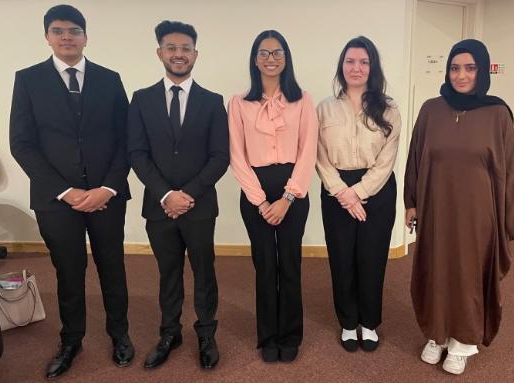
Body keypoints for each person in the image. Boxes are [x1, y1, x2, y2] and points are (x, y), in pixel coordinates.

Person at [9, 4, 133, 379]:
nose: (67, 37)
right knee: (68, 270)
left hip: (106, 196)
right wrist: (66, 191)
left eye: (74, 31)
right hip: (55, 200)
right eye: (59, 31)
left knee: (113, 267)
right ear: (47, 36)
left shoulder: (109, 79)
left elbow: (127, 139)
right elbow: (22, 144)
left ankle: (120, 335)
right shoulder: (28, 79)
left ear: (85, 37)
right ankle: (71, 340)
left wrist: (107, 187)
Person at [404, 39, 514, 375]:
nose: (461, 75)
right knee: (436, 268)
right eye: (455, 68)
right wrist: (412, 202)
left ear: (482, 70)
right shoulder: (432, 109)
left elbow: (510, 167)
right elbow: (415, 158)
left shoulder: (497, 113)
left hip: (478, 215)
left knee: (467, 275)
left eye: (469, 68)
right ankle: (438, 334)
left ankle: (463, 341)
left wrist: (513, 217)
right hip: (436, 209)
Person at [128, 20, 228, 370]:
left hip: (199, 207)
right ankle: (170, 333)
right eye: (171, 47)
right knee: (167, 273)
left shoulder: (213, 102)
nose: (179, 54)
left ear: (195, 54)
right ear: (160, 52)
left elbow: (221, 156)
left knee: (204, 272)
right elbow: (136, 153)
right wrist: (165, 195)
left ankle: (206, 333)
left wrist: (187, 194)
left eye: (186, 48)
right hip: (159, 209)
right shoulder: (140, 100)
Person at [228, 30, 318, 363]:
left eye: (277, 52)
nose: (271, 58)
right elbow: (237, 155)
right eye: (264, 53)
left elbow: (308, 151)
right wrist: (261, 201)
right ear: (255, 59)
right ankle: (268, 335)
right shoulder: (238, 102)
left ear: (286, 57)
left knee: (290, 263)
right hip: (255, 190)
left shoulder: (303, 100)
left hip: (293, 187)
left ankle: (291, 334)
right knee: (264, 264)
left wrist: (288, 198)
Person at [316, 36, 401, 353]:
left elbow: (387, 160)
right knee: (341, 259)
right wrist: (342, 192)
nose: (356, 67)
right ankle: (348, 323)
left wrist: (360, 192)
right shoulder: (324, 108)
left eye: (364, 62)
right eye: (350, 61)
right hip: (336, 189)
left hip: (376, 191)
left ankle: (369, 322)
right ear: (342, 65)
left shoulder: (389, 109)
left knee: (372, 258)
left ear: (372, 67)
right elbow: (318, 155)